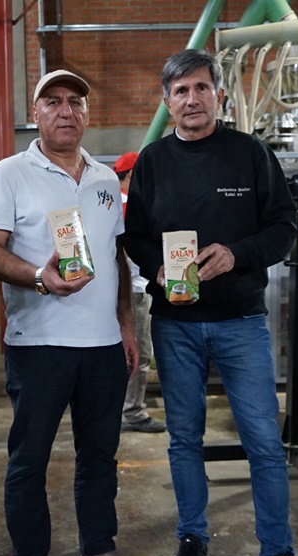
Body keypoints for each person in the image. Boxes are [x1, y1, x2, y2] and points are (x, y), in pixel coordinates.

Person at [122, 49, 298, 556]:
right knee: (184, 439)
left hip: (240, 321)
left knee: (263, 442)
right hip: (175, 324)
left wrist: (237, 254)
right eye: (180, 91)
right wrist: (155, 265)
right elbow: (135, 234)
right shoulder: (153, 161)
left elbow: (285, 227)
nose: (192, 99)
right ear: (167, 101)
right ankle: (192, 540)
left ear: (219, 96)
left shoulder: (250, 154)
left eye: (201, 88)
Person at [0, 69, 142, 556]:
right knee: (30, 459)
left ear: (87, 114)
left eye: (75, 102)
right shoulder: (8, 175)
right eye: (53, 101)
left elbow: (116, 257)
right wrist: (39, 278)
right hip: (38, 344)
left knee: (100, 455)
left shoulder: (104, 179)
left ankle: (98, 547)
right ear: (36, 113)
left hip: (102, 346)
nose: (66, 110)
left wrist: (126, 325)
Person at [114, 151, 166, 434]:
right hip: (134, 290)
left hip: (120, 290)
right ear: (133, 174)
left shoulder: (111, 201)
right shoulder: (128, 205)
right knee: (140, 354)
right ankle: (132, 412)